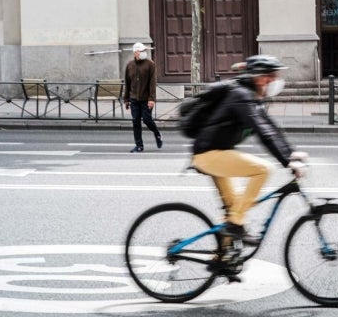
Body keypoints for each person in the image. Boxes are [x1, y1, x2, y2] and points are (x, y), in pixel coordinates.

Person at [191, 54, 307, 246]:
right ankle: (235, 224)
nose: (274, 80)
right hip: (208, 155)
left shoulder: (252, 98)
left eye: (275, 76)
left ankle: (221, 261)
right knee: (263, 170)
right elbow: (263, 133)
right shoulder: (242, 96)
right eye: (270, 76)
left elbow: (272, 128)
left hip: (215, 152)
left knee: (234, 207)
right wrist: (287, 162)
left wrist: (291, 153)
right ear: (258, 77)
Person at [123, 42, 163, 153]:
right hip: (134, 98)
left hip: (146, 99)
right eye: (141, 51)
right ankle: (139, 145)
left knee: (147, 120)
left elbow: (152, 83)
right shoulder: (130, 65)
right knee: (135, 121)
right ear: (135, 53)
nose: (144, 53)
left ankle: (157, 133)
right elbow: (127, 83)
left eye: (144, 51)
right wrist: (126, 99)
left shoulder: (150, 64)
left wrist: (151, 98)